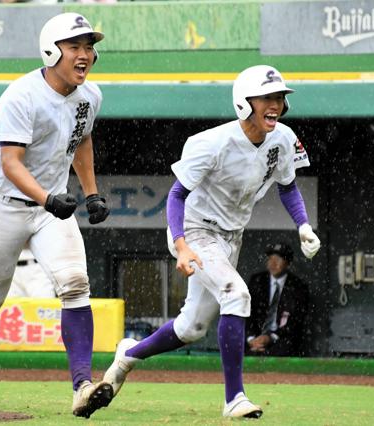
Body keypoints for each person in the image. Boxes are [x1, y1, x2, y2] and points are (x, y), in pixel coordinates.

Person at [102, 65, 321, 418]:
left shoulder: (282, 138)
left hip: (230, 236)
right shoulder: (211, 143)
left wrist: (303, 225)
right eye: (267, 97)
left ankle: (128, 355)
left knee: (192, 327)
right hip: (196, 230)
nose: (276, 105)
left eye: (279, 97)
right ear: (244, 102)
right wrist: (181, 244)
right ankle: (234, 397)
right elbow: (176, 196)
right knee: (236, 293)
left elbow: (288, 186)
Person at [0, 13, 112, 418]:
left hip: (51, 208)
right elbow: (10, 163)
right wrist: (48, 197)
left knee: (75, 284)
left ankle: (83, 385)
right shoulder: (20, 96)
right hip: (4, 203)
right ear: (52, 51)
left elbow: (82, 141)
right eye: (75, 47)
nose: (85, 55)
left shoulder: (90, 96)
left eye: (89, 47)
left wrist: (92, 193)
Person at [246, 242, 310, 357]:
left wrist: (270, 337)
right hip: (255, 336)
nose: (273, 263)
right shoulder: (257, 281)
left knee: (284, 349)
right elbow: (247, 313)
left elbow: (295, 322)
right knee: (237, 346)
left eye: (278, 259)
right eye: (271, 259)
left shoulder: (298, 287)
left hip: (281, 338)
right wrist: (251, 338)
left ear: (288, 263)